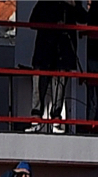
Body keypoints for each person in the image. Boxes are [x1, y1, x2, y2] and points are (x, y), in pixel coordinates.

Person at [27, 0, 86, 134]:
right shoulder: (45, 2)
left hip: (63, 53)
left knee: (59, 86)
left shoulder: (73, 3)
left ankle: (56, 119)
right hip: (44, 51)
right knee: (39, 86)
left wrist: (74, 6)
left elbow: (83, 18)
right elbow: (33, 21)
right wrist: (51, 23)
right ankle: (36, 118)